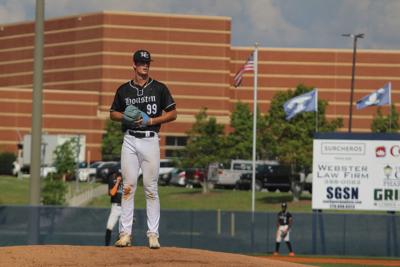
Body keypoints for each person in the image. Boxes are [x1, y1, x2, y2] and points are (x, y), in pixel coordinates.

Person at [110, 49, 177, 249]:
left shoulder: (159, 88)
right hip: (130, 139)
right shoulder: (124, 90)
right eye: (140, 62)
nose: (144, 65)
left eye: (147, 62)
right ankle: (125, 234)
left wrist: (153, 120)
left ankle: (153, 235)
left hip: (150, 139)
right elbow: (113, 113)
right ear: (134, 64)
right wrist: (125, 117)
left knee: (151, 189)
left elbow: (173, 113)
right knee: (128, 187)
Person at [105, 172, 123, 246]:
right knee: (109, 227)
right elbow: (112, 193)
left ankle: (120, 247)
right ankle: (106, 246)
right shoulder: (113, 179)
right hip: (115, 207)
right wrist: (117, 182)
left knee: (123, 230)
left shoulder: (127, 179)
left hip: (125, 208)